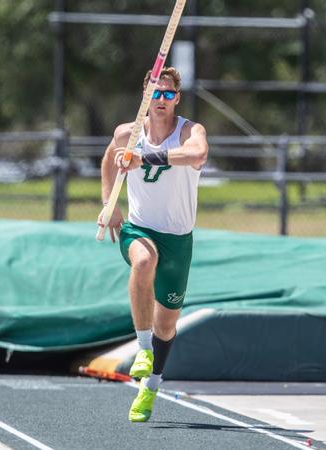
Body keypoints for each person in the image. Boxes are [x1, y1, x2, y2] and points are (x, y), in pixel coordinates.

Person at [98, 67, 209, 422]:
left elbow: (196, 156)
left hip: (178, 239)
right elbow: (109, 160)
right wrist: (109, 204)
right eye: (154, 94)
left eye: (167, 94)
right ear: (145, 96)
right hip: (139, 228)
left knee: (167, 325)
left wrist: (143, 159)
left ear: (176, 98)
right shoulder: (127, 134)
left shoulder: (190, 131)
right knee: (143, 261)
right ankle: (142, 349)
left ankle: (152, 384)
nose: (160, 100)